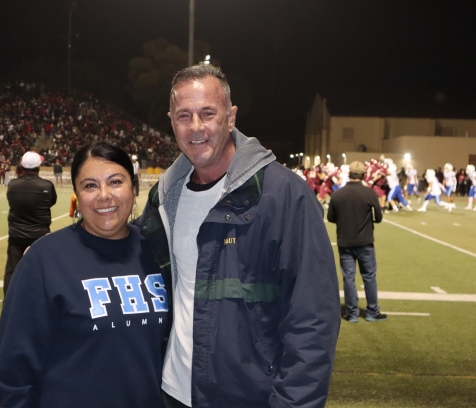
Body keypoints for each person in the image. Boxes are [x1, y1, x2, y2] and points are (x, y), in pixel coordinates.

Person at [138, 65, 340, 408]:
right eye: (184, 115)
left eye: (208, 113)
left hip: (248, 397)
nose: (196, 127)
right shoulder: (165, 196)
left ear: (231, 117)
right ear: (171, 120)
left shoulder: (284, 196)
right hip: (170, 392)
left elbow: (313, 320)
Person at [0, 143, 170, 408]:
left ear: (133, 189)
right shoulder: (44, 259)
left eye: (115, 182)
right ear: (76, 195)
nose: (104, 195)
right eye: (90, 185)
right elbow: (14, 371)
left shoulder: (160, 252)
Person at [327, 161, 387, 323]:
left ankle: (352, 313)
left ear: (349, 174)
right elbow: (379, 218)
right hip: (365, 241)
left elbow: (330, 217)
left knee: (349, 278)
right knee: (369, 277)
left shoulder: (338, 194)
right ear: (363, 175)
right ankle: (372, 311)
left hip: (345, 242)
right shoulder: (369, 193)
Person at [3, 151, 57, 296]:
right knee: (42, 271)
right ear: (38, 166)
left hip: (16, 235)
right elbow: (51, 202)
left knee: (12, 271)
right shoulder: (46, 185)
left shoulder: (13, 185)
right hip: (40, 235)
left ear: (22, 165)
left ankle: (9, 302)